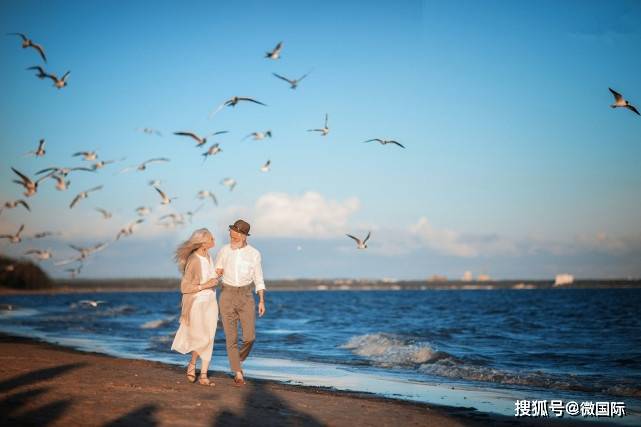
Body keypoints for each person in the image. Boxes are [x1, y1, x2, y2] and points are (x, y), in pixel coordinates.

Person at [215, 219, 266, 386]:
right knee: (231, 338)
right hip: (227, 294)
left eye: (237, 233)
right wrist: (217, 273)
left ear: (244, 236)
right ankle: (237, 372)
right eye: (232, 232)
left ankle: (237, 360)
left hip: (246, 296)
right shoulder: (223, 251)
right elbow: (217, 272)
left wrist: (261, 301)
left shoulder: (254, 254)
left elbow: (259, 278)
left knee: (250, 337)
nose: (233, 235)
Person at [171, 228, 220, 386]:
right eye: (212, 238)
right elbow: (185, 287)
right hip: (197, 302)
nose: (214, 241)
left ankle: (204, 375)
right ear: (204, 242)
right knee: (202, 338)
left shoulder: (208, 256)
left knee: (210, 337)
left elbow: (211, 279)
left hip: (211, 301)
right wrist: (205, 285)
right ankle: (192, 364)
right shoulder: (193, 260)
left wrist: (217, 275)